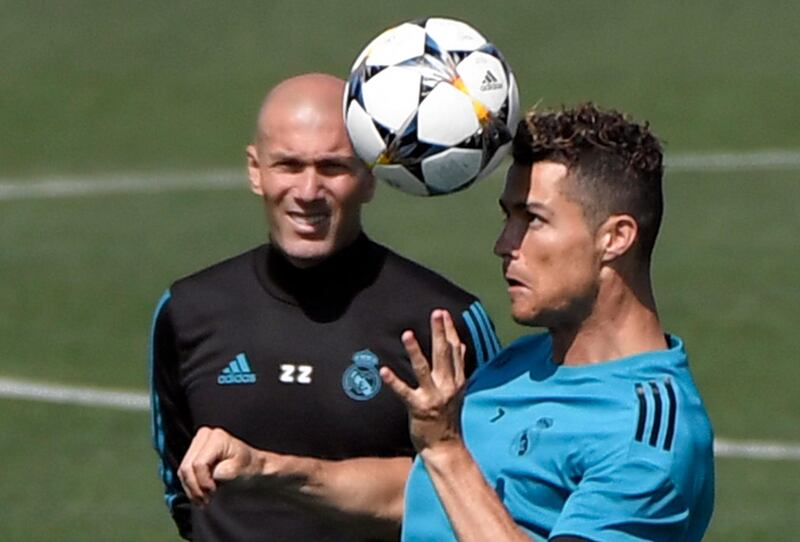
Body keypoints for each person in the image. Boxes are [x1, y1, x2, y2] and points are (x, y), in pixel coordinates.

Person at [148, 73, 500, 541]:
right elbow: (182, 493)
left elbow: (489, 491)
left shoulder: (442, 320)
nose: (309, 191)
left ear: (370, 176)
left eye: (332, 167)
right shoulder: (188, 311)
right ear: (256, 170)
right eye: (288, 166)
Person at [381, 103, 715, 541]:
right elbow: (420, 497)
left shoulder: (646, 435)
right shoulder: (519, 362)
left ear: (616, 238)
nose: (504, 244)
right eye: (508, 217)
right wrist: (278, 470)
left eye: (532, 219)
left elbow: (447, 466)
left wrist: (445, 449)